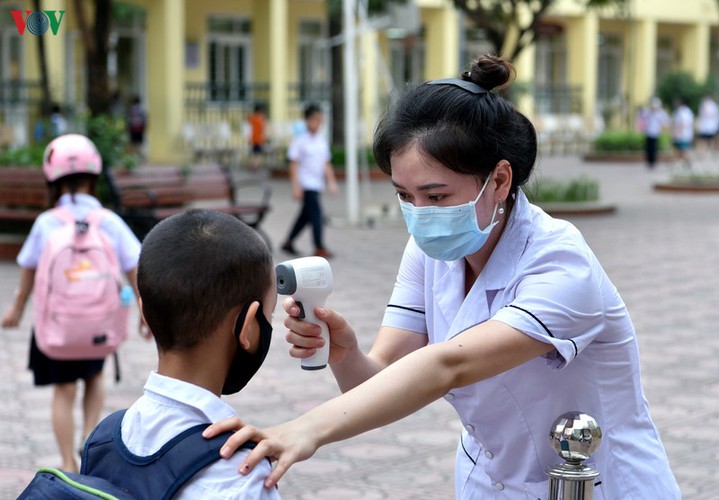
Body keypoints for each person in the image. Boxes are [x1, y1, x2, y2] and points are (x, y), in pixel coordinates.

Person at [205, 55, 681, 499]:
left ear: (499, 180)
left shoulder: (562, 265)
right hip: (490, 478)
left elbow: (446, 366)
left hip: (594, 482)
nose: (419, 216)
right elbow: (377, 383)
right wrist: (345, 353)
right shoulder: (429, 251)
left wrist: (305, 429)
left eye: (435, 196)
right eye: (405, 197)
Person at [86, 209, 280, 499]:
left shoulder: (102, 440)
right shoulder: (241, 475)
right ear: (248, 327)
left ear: (145, 313)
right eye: (270, 315)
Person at [1, 134, 144, 474]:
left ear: (53, 179)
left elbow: (29, 272)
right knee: (94, 379)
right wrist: (144, 312)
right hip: (99, 323)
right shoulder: (108, 221)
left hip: (59, 324)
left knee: (63, 390)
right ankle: (89, 439)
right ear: (94, 177)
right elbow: (133, 268)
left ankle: (66, 460)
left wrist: (17, 309)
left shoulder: (47, 222)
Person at [280, 103, 338, 258]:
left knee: (305, 216)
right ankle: (319, 246)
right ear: (307, 121)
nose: (317, 123)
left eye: (320, 120)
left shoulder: (321, 140)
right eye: (314, 120)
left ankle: (288, 242)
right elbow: (293, 166)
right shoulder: (300, 141)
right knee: (316, 215)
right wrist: (296, 187)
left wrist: (331, 182)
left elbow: (326, 163)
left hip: (317, 184)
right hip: (306, 185)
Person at [639, 97, 670, 169]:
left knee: (654, 148)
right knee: (648, 148)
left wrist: (662, 128)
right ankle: (649, 162)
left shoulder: (660, 113)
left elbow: (665, 121)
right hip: (648, 132)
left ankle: (653, 162)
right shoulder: (648, 112)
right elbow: (642, 117)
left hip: (655, 133)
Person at [671, 97, 694, 169]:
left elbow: (683, 124)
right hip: (683, 134)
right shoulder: (685, 111)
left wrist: (678, 133)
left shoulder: (682, 112)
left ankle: (687, 163)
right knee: (680, 151)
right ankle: (684, 164)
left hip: (682, 135)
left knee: (683, 151)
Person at [696, 93, 719, 159]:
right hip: (705, 127)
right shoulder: (702, 105)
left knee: (712, 141)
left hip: (711, 126)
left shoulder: (713, 105)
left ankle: (713, 154)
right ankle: (703, 155)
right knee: (703, 141)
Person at [248, 103, 267, 171]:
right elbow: (263, 128)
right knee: (258, 153)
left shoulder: (252, 118)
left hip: (253, 138)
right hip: (258, 139)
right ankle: (256, 165)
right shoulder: (260, 119)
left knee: (254, 153)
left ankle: (253, 164)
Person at [127, 95, 147, 160]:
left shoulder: (131, 109)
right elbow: (144, 119)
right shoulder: (141, 109)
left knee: (134, 143)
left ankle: (135, 156)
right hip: (139, 128)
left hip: (133, 128)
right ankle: (139, 156)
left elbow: (129, 119)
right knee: (139, 143)